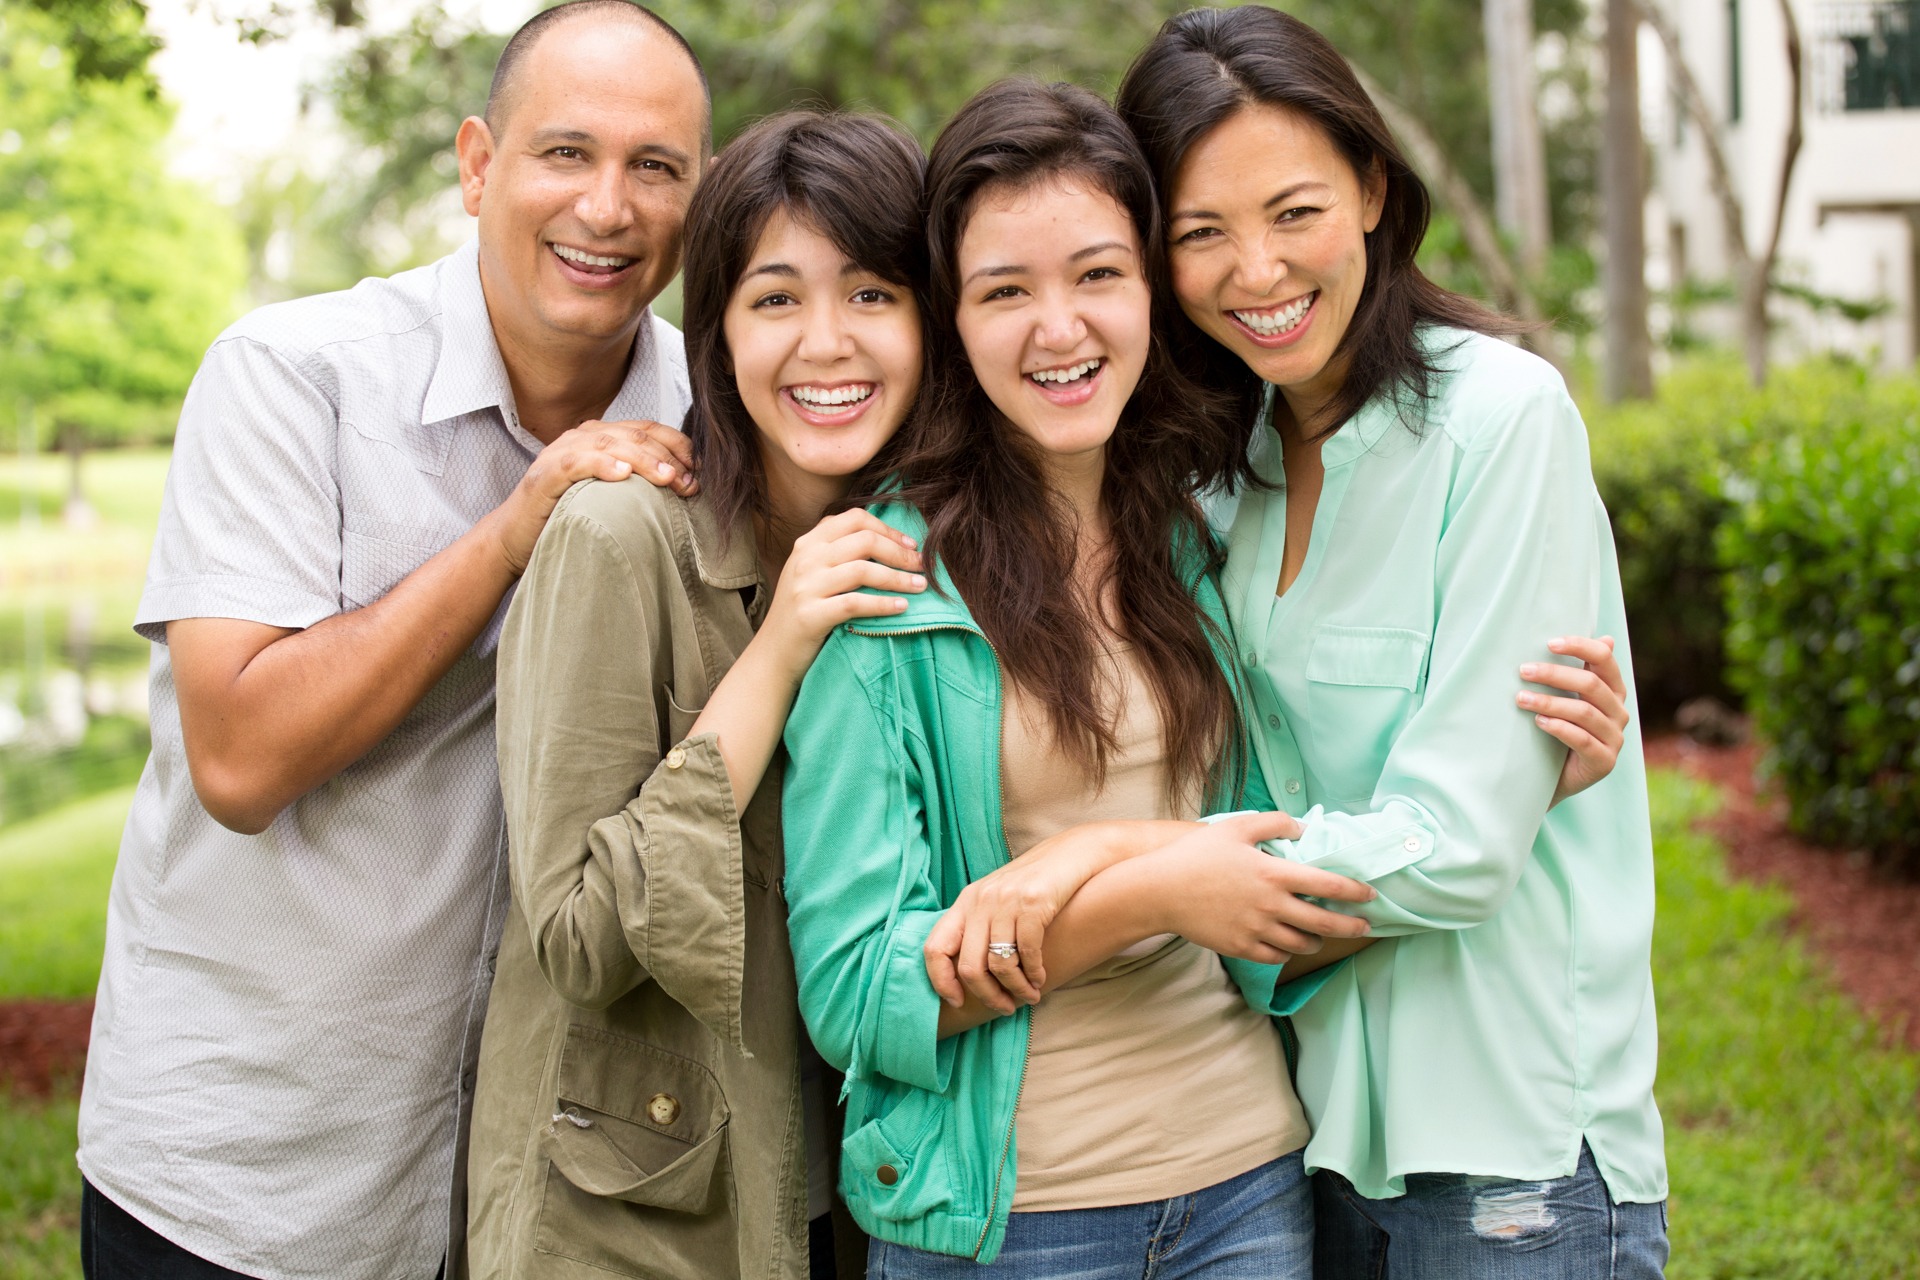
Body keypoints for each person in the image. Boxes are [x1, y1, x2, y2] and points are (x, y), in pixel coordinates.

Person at [777, 79, 1629, 1279]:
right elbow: (861, 995)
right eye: (1004, 290)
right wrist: (1154, 890)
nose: (1058, 328)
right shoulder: (887, 585)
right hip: (1013, 1219)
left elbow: (1265, 878)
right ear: (951, 322)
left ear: (1147, 292)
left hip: (1251, 1190)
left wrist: (1516, 769)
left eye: (1097, 275)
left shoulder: (1197, 537)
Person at [76, 5, 707, 1278]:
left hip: (535, 1190)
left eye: (658, 168)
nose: (609, 205)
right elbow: (242, 757)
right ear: (480, 165)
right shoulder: (290, 377)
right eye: (565, 154)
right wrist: (516, 528)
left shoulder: (716, 416)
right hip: (242, 1179)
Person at [1113, 7, 1668, 1277]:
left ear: (1371, 187)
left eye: (1293, 211)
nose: (1255, 270)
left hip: (1506, 1151)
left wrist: (1164, 877)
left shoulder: (1500, 419)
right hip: (1304, 1134)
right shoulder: (1218, 477)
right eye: (1201, 232)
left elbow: (1464, 846)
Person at [468, 109, 931, 1280]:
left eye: (873, 293)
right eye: (775, 298)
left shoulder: (931, 546)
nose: (828, 342)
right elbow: (575, 933)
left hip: (875, 1194)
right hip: (632, 1223)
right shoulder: (619, 538)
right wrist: (775, 647)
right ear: (715, 335)